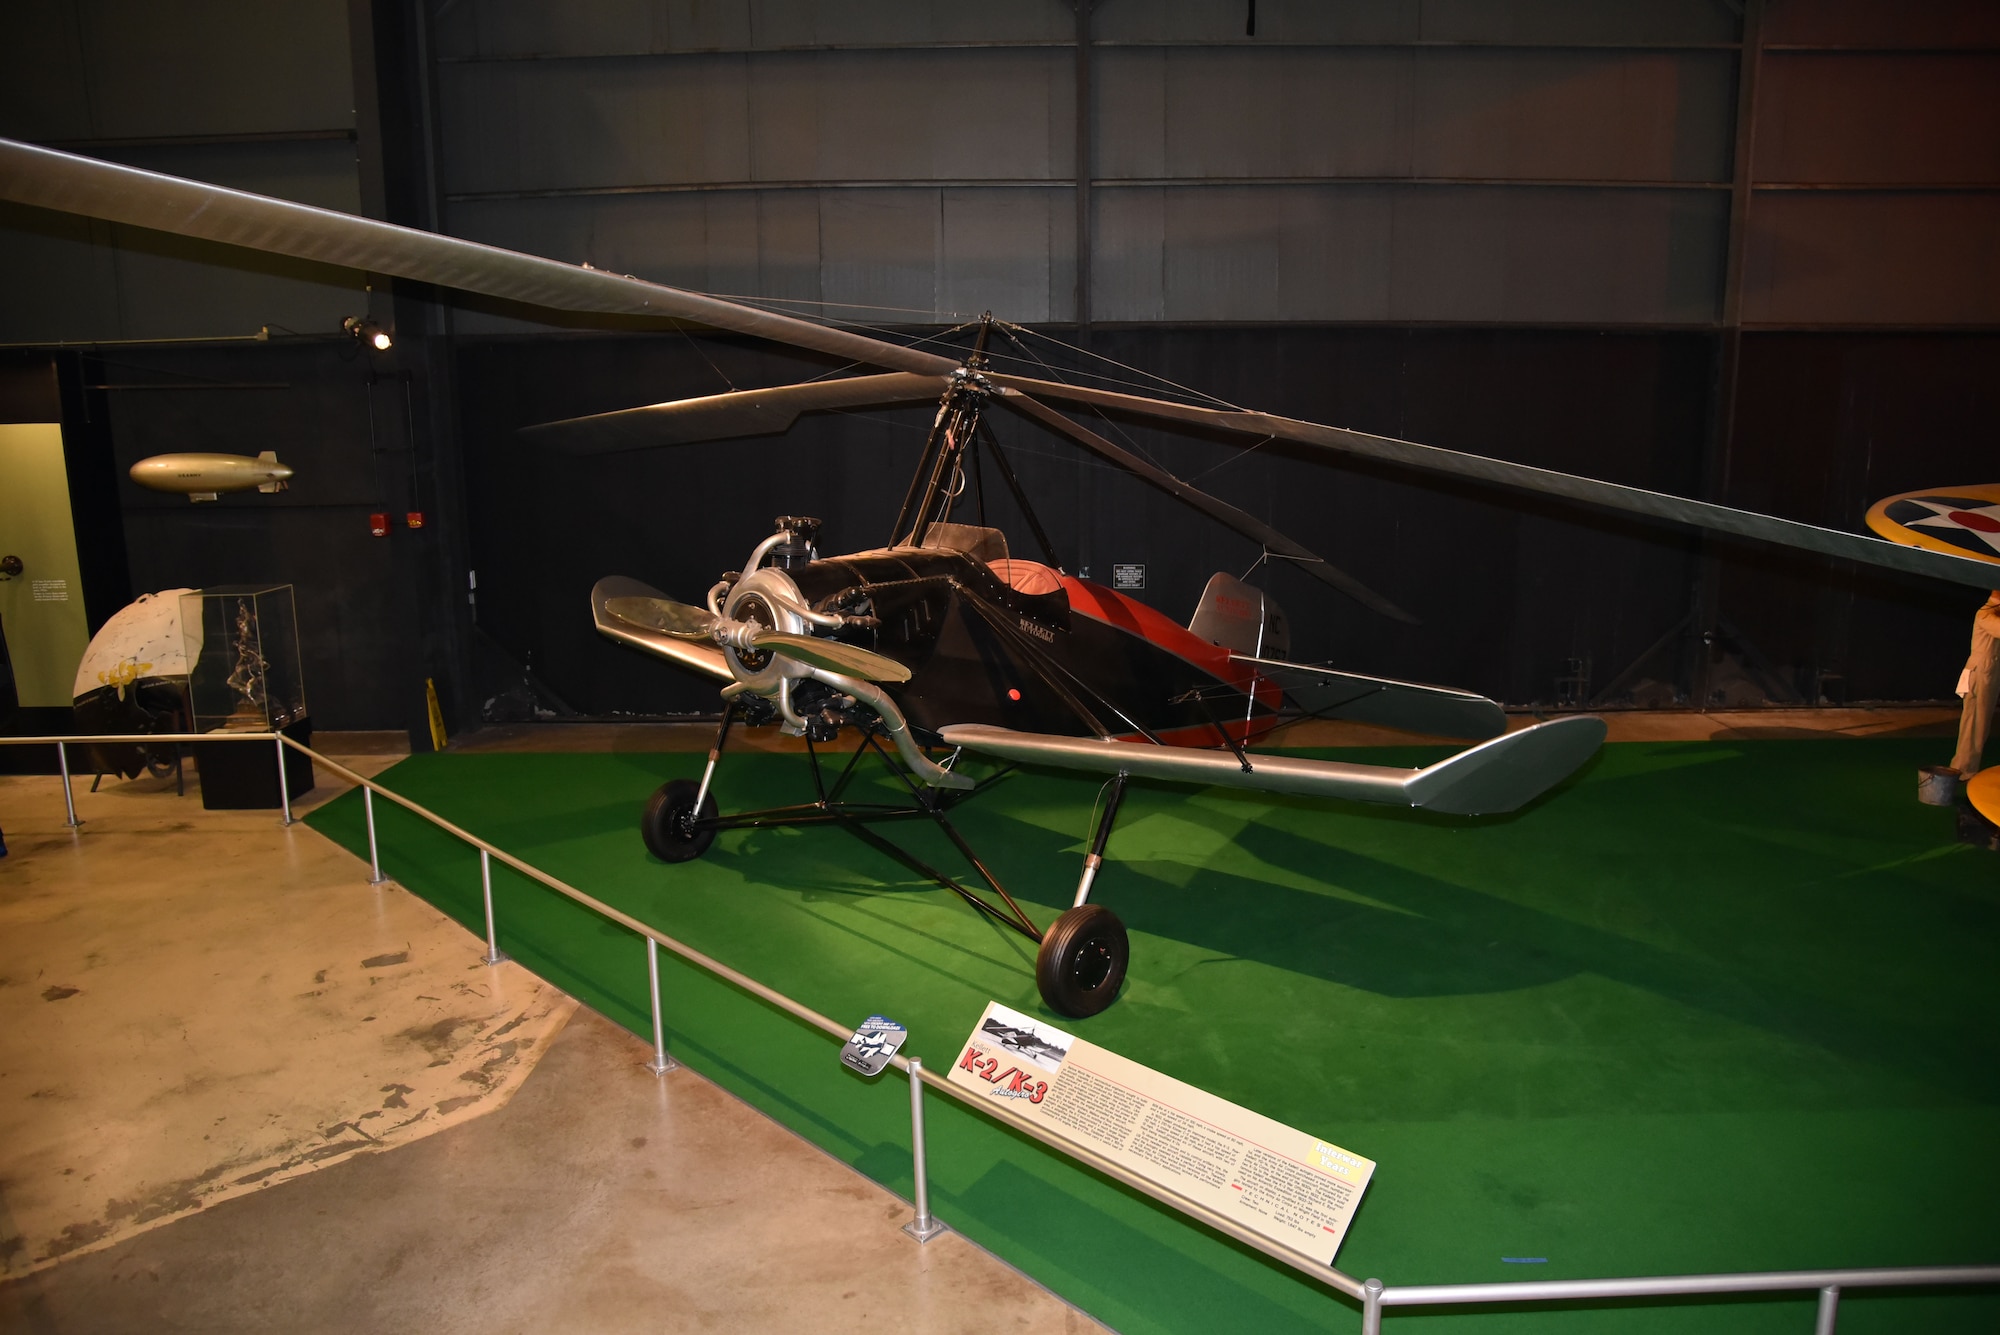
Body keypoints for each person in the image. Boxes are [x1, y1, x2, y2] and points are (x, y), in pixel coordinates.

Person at [1949, 590, 2000, 778]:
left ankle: (1965, 766)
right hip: (1981, 672)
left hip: (1986, 671)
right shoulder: (1985, 614)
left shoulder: (1991, 614)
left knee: (1978, 722)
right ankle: (1964, 768)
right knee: (1975, 722)